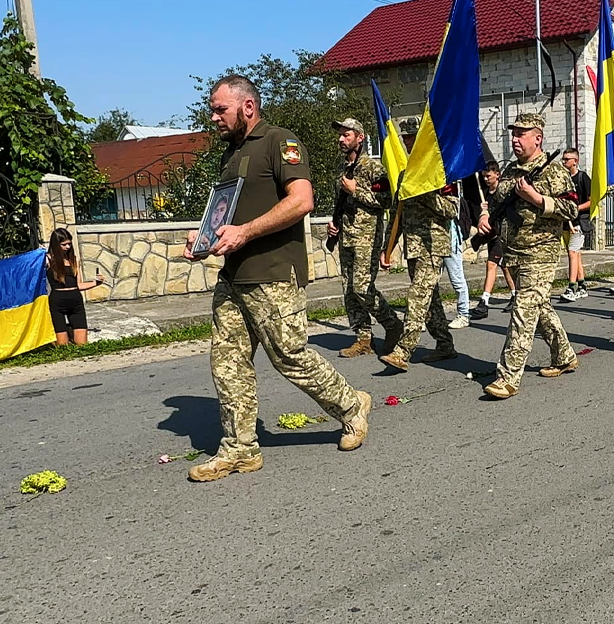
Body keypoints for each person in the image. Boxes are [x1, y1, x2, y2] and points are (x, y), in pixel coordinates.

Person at [183, 75, 372, 482]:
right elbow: (229, 215)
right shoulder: (230, 153)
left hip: (272, 273)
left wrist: (245, 232)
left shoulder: (279, 141)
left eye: (220, 109)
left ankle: (352, 406)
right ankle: (240, 449)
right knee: (228, 362)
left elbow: (302, 200)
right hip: (234, 274)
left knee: (290, 356)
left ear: (247, 106)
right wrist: (202, 238)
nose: (213, 117)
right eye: (212, 110)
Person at [478, 113, 579, 398]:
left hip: (541, 251)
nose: (515, 139)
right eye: (513, 133)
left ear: (538, 138)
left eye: (521, 134)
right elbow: (496, 202)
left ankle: (508, 377)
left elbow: (571, 210)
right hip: (514, 252)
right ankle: (564, 355)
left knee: (523, 310)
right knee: (539, 306)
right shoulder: (510, 171)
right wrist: (485, 216)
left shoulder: (553, 171)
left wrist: (537, 199)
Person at [325, 118, 403, 358]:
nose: (341, 139)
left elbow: (387, 201)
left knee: (362, 287)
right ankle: (363, 339)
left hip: (366, 237)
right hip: (346, 235)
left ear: (360, 138)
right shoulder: (342, 169)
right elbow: (342, 204)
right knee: (348, 290)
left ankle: (393, 325)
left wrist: (355, 190)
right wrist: (333, 224)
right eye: (340, 135)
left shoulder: (373, 168)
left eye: (346, 135)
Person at [378, 179, 460, 372]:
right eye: (406, 145)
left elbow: (451, 210)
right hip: (413, 248)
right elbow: (396, 215)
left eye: (411, 144)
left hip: (433, 246)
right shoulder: (406, 175)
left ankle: (403, 351)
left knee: (417, 297)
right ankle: (445, 344)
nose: (408, 146)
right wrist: (387, 248)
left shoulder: (440, 174)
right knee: (429, 300)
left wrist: (425, 193)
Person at [471, 161, 517, 320]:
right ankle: (515, 294)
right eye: (484, 176)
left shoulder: (502, 192)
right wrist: (483, 212)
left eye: (488, 176)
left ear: (497, 174)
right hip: (491, 234)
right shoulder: (484, 194)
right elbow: (483, 216)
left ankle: (484, 302)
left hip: (501, 235)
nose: (485, 179)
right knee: (504, 266)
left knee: (491, 264)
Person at [45, 228, 105, 346]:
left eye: (69, 244)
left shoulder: (73, 259)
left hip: (75, 302)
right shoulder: (47, 259)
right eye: (64, 244)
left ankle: (70, 330)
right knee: (62, 346)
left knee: (82, 344)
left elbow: (78, 285)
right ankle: (66, 331)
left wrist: (96, 282)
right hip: (57, 302)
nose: (68, 247)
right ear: (56, 245)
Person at [560, 148, 593, 302]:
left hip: (579, 222)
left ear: (575, 161)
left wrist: (576, 209)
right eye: (563, 159)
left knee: (573, 253)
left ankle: (571, 287)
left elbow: (591, 201)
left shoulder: (582, 177)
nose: (564, 162)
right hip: (567, 223)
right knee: (575, 254)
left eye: (567, 159)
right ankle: (582, 286)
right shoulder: (564, 179)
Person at [444, 188, 472, 329]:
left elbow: (451, 211)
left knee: (457, 279)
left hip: (450, 240)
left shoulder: (452, 189)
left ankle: (464, 314)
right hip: (431, 241)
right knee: (428, 282)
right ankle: (429, 316)